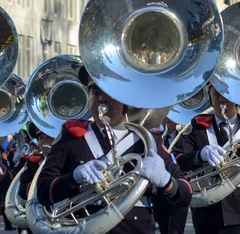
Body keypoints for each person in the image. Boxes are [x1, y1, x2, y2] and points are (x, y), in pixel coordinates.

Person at [37, 67, 192, 234]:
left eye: (109, 93)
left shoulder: (147, 141)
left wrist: (166, 182)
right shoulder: (72, 136)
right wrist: (73, 177)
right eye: (95, 93)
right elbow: (43, 191)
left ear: (124, 101)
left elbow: (185, 194)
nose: (102, 99)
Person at [176, 82, 240, 234]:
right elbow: (177, 161)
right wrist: (199, 155)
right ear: (210, 98)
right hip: (207, 213)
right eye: (216, 94)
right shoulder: (197, 127)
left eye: (226, 94)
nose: (221, 100)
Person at [152, 116, 189, 234]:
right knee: (164, 227)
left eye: (170, 118)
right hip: (160, 193)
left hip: (179, 190)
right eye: (164, 118)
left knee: (176, 229)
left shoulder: (185, 138)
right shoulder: (157, 138)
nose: (166, 121)